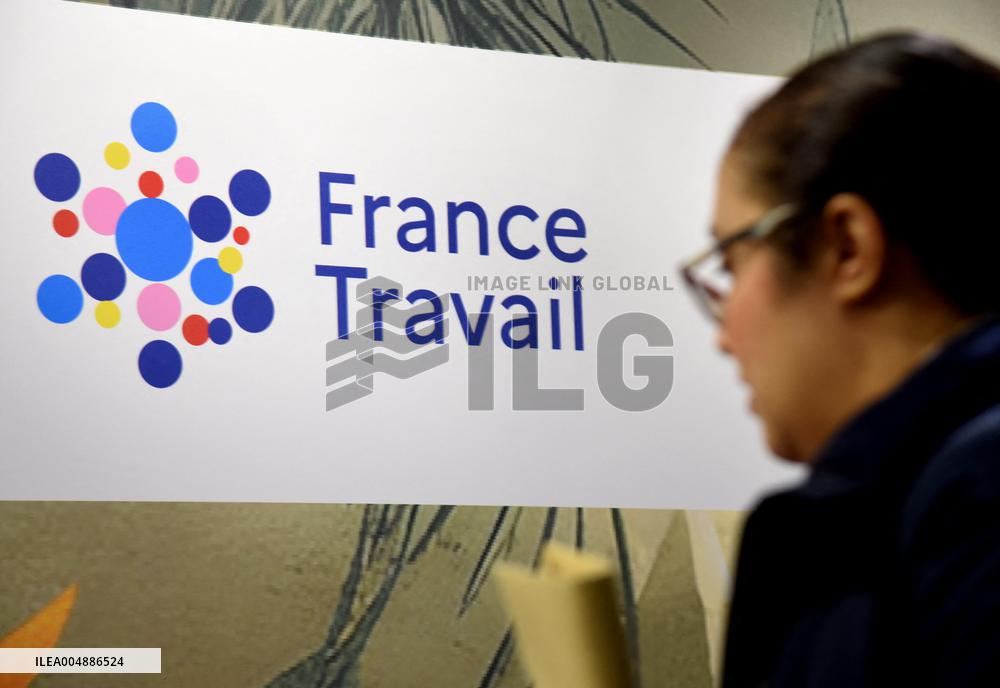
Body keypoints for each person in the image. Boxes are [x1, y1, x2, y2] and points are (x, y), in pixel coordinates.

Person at [681, 32, 1000, 686]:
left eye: (733, 262)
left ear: (847, 248)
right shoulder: (892, 512)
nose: (721, 332)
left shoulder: (978, 505)